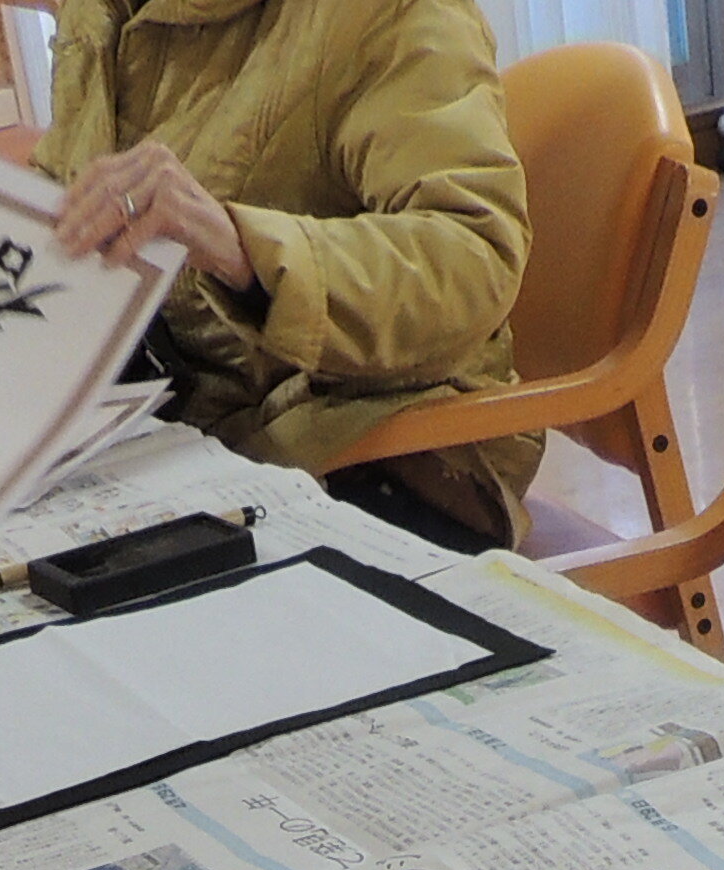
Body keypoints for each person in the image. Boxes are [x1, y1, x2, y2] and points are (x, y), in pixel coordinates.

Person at [45, 0, 539, 549]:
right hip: (166, 432)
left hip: (367, 446)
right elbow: (63, 191)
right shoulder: (95, 13)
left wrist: (244, 249)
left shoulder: (387, 14)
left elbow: (473, 257)